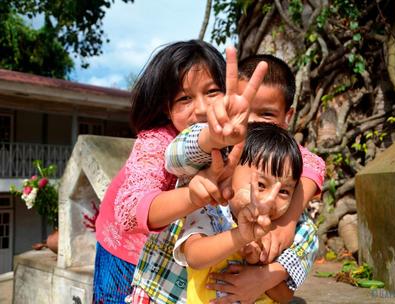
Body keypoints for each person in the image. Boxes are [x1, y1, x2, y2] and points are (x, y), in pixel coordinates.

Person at [131, 54, 325, 303]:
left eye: (265, 114)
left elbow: (311, 163)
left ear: (287, 117)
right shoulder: (214, 164)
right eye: (243, 109)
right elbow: (176, 155)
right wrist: (213, 137)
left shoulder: (297, 211)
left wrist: (263, 273)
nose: (249, 121)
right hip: (162, 291)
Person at [93, 40, 267, 303]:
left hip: (186, 255)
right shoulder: (157, 142)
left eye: (212, 92)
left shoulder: (238, 132)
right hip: (126, 255)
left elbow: (299, 160)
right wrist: (193, 193)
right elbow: (131, 211)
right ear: (166, 108)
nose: (201, 109)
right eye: (185, 98)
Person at [174, 122, 304, 303]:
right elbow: (194, 257)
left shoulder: (281, 231)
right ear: (230, 173)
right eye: (260, 185)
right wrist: (240, 236)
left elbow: (285, 296)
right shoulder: (213, 211)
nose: (270, 199)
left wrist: (259, 265)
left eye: (283, 192)